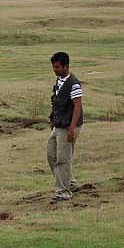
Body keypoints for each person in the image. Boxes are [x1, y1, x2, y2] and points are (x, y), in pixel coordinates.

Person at [47, 51, 83, 204]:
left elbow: (77, 106)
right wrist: (53, 120)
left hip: (68, 126)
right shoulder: (60, 80)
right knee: (51, 155)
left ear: (66, 66)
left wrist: (72, 129)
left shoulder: (73, 83)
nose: (55, 70)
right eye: (53, 67)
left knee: (63, 159)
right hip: (59, 125)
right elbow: (57, 102)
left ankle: (63, 193)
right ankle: (70, 183)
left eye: (57, 67)